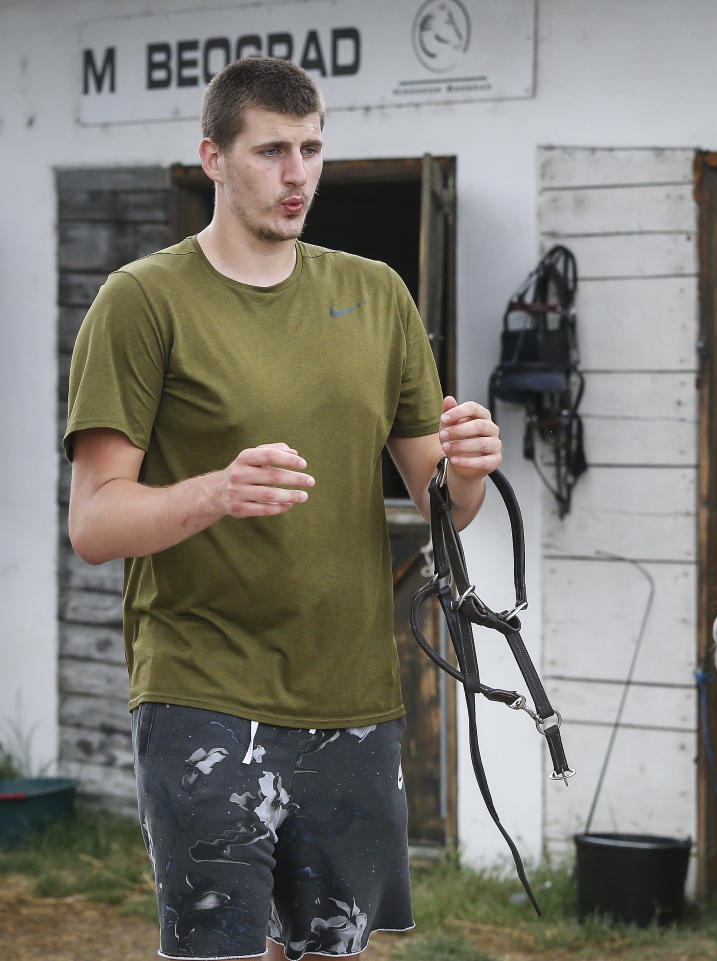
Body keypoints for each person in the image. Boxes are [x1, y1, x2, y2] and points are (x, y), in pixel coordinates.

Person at [64, 56, 501, 960]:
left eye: (312, 148)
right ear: (213, 158)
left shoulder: (377, 293)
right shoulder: (142, 301)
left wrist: (470, 472)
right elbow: (95, 521)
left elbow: (445, 504)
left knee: (328, 953)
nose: (297, 173)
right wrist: (215, 492)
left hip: (351, 696)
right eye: (271, 150)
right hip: (203, 694)